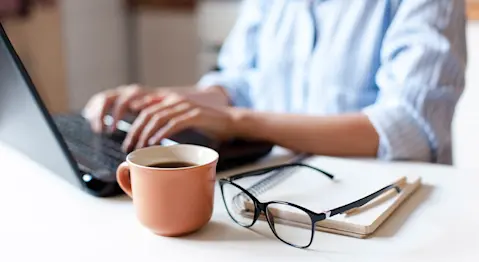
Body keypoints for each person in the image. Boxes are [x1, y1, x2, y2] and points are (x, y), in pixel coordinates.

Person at [83, 0, 467, 165]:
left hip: (382, 206)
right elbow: (242, 83)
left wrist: (241, 122)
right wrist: (162, 100)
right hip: (280, 195)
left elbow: (408, 129)